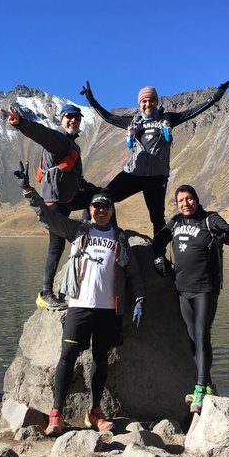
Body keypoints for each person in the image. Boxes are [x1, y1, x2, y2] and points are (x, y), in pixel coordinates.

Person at [14, 162, 146, 436]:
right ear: (90, 209)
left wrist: (140, 298)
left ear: (112, 211)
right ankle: (56, 414)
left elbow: (132, 273)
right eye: (97, 206)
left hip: (108, 310)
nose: (101, 210)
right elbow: (49, 218)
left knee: (101, 359)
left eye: (106, 207)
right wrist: (29, 191)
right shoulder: (78, 230)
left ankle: (95, 412)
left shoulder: (120, 238)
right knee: (67, 358)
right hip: (79, 307)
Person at [80, 80, 229, 236]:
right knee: (105, 197)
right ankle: (111, 236)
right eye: (144, 101)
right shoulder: (133, 121)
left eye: (151, 100)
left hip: (156, 178)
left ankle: (159, 255)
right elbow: (109, 117)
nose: (147, 104)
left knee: (157, 218)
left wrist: (216, 96)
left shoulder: (167, 119)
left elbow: (192, 112)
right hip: (133, 174)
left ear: (156, 102)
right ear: (139, 104)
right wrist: (91, 100)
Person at [2, 103, 98, 310]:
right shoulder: (60, 140)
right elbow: (42, 134)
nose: (74, 120)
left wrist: (90, 188)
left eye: (77, 118)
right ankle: (45, 293)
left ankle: (85, 225)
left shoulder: (73, 145)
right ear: (61, 119)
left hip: (67, 198)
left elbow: (73, 175)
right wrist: (21, 124)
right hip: (55, 201)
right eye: (69, 117)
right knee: (56, 245)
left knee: (96, 196)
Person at [152, 184, 229, 414]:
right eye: (180, 201)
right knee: (192, 340)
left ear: (196, 200)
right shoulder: (176, 222)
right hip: (183, 290)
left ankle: (199, 388)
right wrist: (159, 258)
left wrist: (222, 234)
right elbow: (158, 241)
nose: (185, 204)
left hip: (205, 290)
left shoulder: (209, 219)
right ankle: (208, 385)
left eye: (189, 199)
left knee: (201, 335)